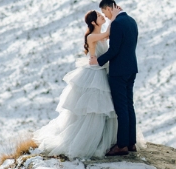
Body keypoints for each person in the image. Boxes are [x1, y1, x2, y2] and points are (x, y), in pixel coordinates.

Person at [34, 10, 118, 159]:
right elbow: (107, 35)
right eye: (99, 16)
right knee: (94, 110)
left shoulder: (99, 34)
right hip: (95, 75)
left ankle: (100, 140)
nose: (103, 17)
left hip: (101, 72)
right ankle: (90, 141)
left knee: (102, 108)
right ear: (93, 22)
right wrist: (115, 17)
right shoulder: (92, 36)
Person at [94, 0, 139, 157]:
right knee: (129, 106)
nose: (106, 17)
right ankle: (131, 143)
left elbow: (114, 50)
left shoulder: (117, 24)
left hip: (119, 71)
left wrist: (97, 61)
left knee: (121, 109)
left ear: (109, 8)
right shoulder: (132, 21)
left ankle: (121, 146)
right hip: (131, 69)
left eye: (105, 13)